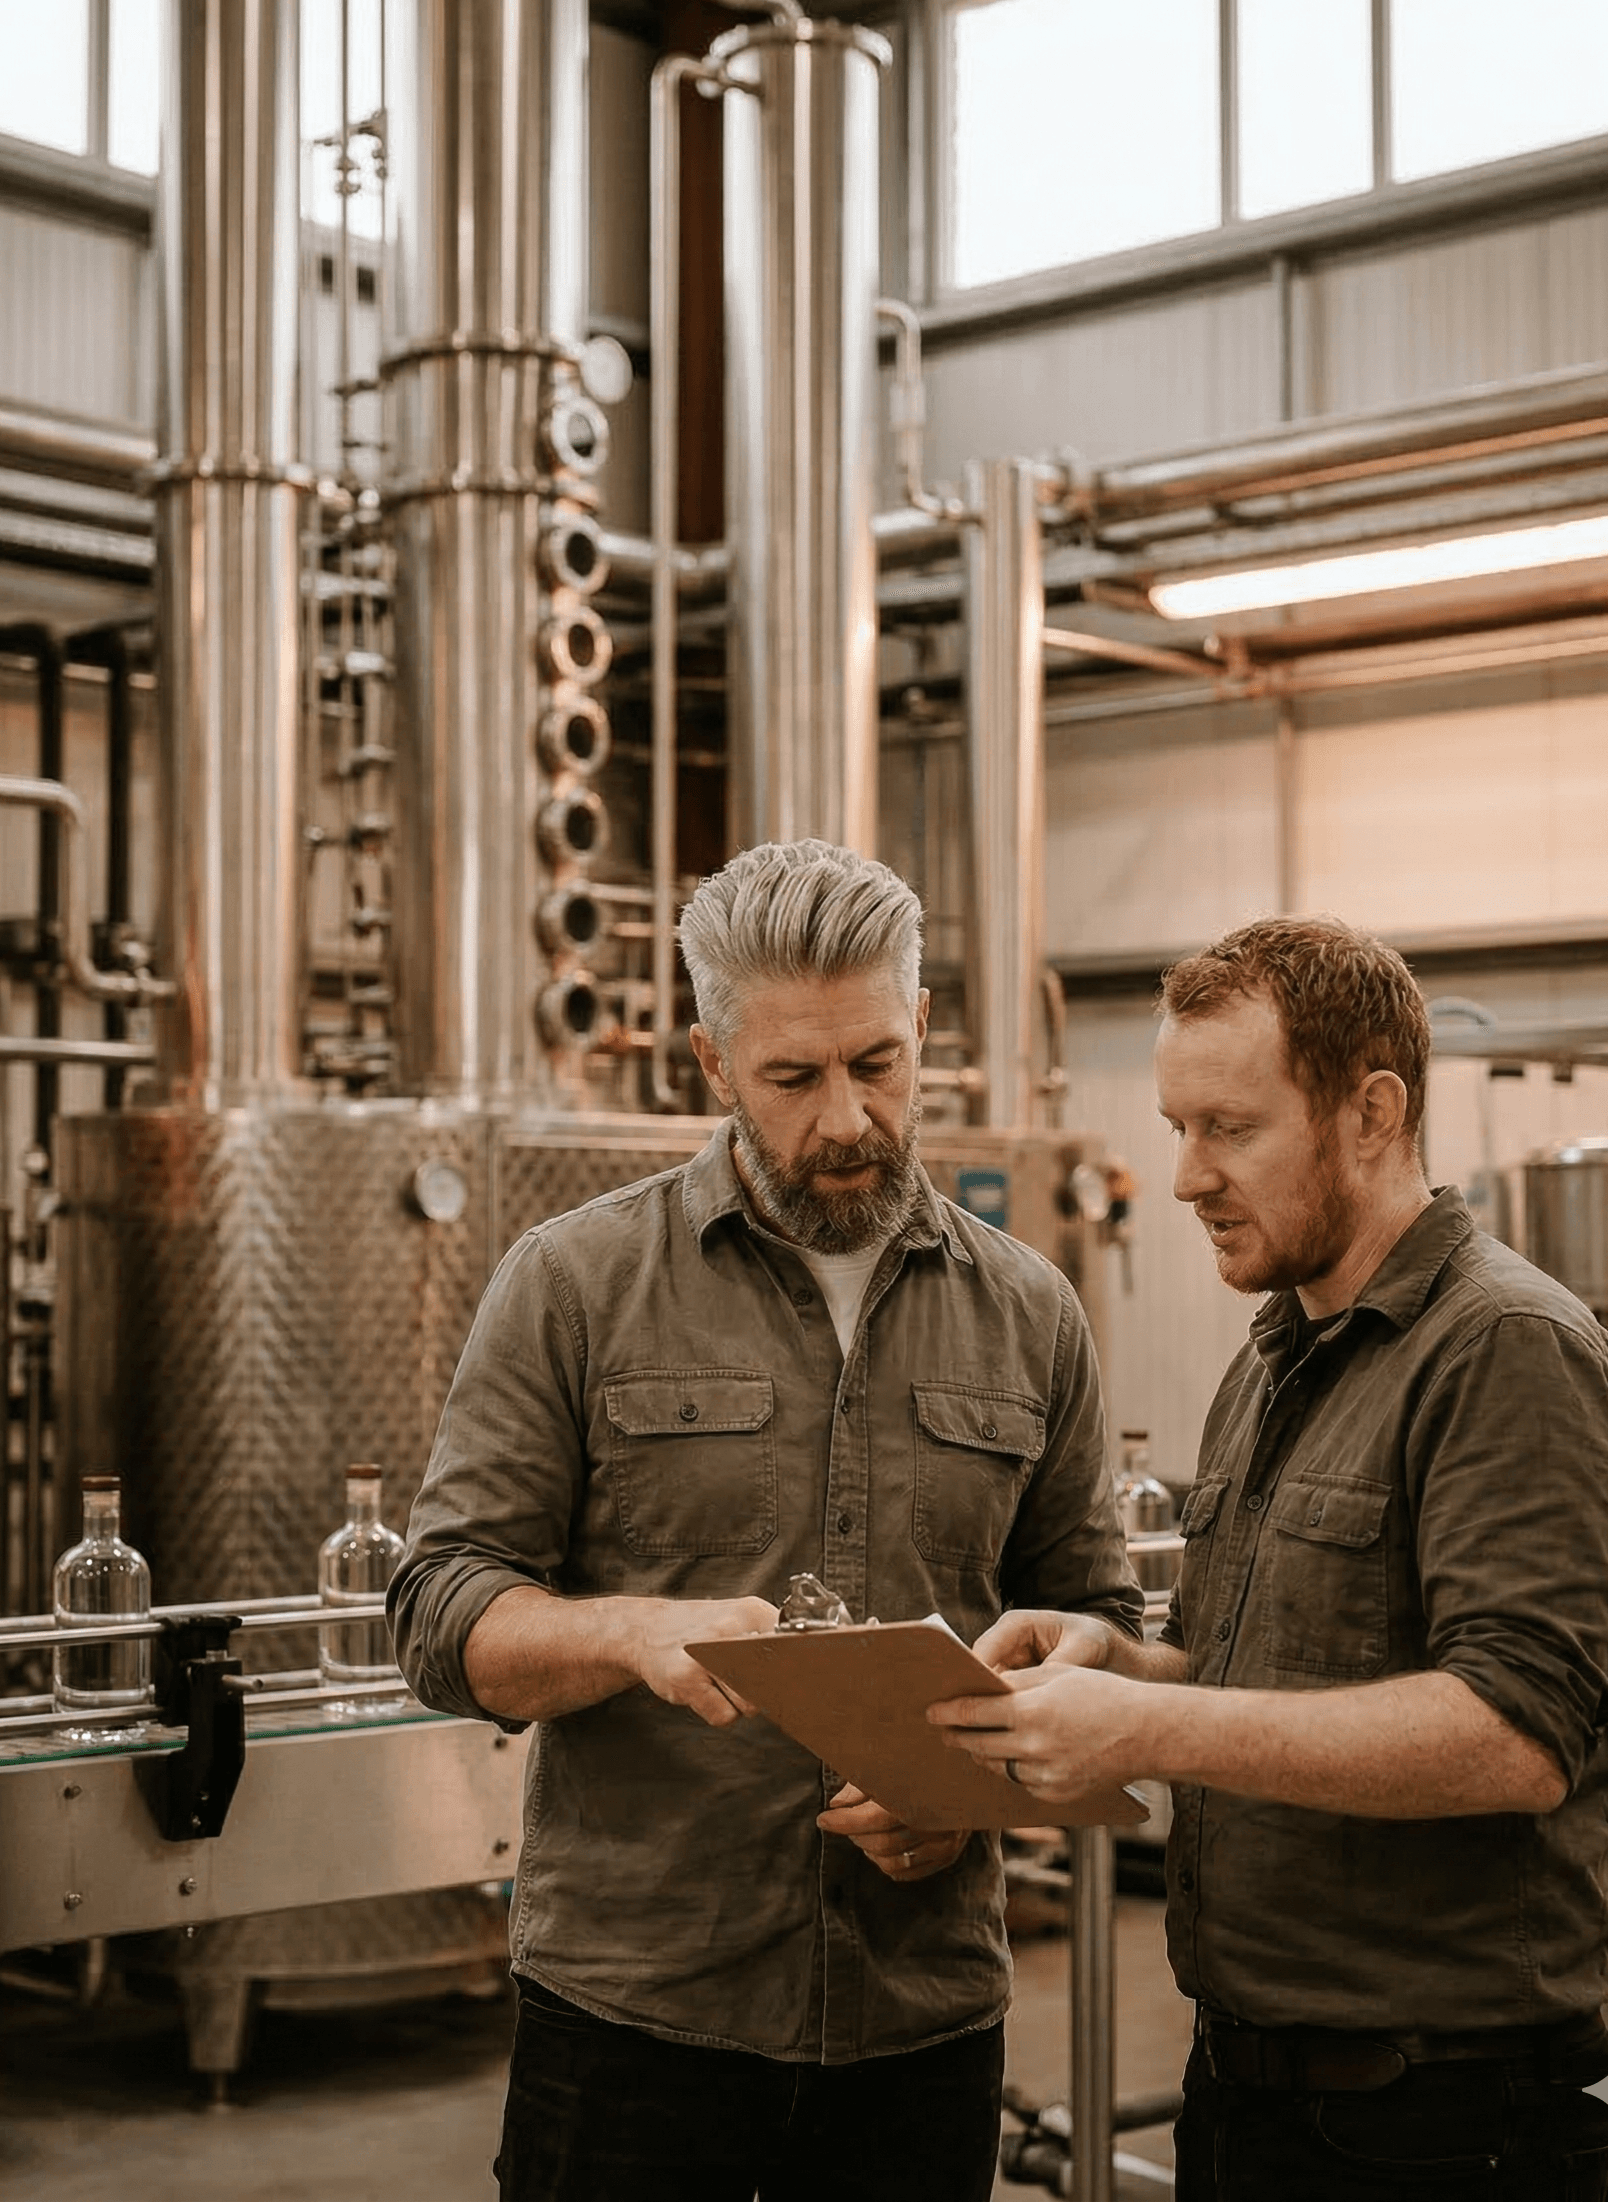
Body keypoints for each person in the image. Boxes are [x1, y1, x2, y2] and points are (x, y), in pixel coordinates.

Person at [390, 837, 1142, 2202]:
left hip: (921, 2028)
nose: (846, 1118)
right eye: (794, 1078)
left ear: (922, 1028)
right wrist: (635, 1634)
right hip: (637, 2025)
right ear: (710, 1061)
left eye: (877, 1063)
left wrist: (975, 1795)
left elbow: (1099, 1626)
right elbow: (442, 1615)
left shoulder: (1031, 1312)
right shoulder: (572, 1284)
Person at [934, 916, 1608, 2201]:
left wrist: (1145, 1735)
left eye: (1230, 1128)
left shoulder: (1502, 1353)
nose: (1185, 1178)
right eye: (1176, 1130)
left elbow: (1513, 1737)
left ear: (1370, 1112)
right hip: (1255, 2092)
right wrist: (1119, 1668)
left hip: (1439, 2120)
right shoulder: (1277, 1356)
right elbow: (1246, 1671)